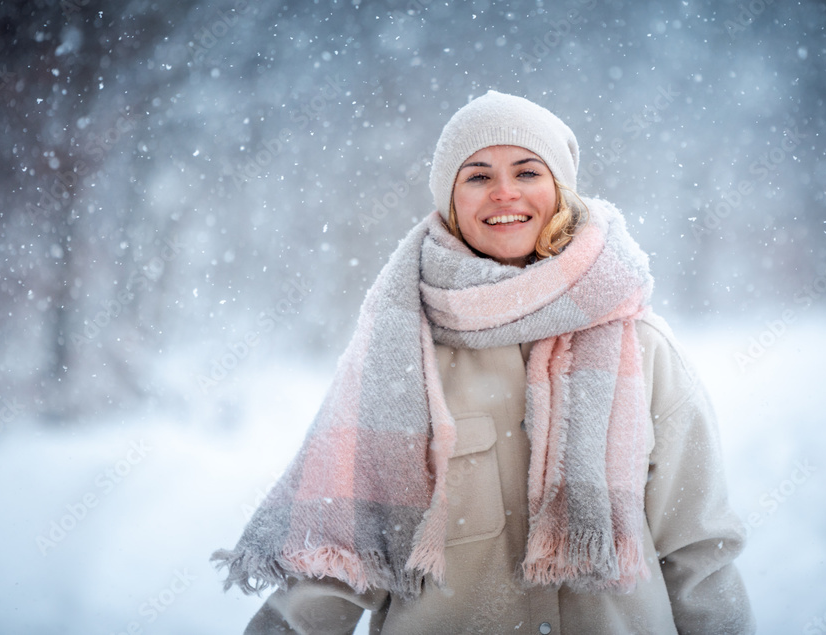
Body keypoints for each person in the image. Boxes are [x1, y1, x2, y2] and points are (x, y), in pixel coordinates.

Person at [213, 90, 754, 634]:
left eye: (527, 172)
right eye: (477, 176)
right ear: (450, 201)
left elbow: (698, 554)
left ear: (560, 190)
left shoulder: (645, 347)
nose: (503, 193)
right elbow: (339, 556)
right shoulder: (398, 352)